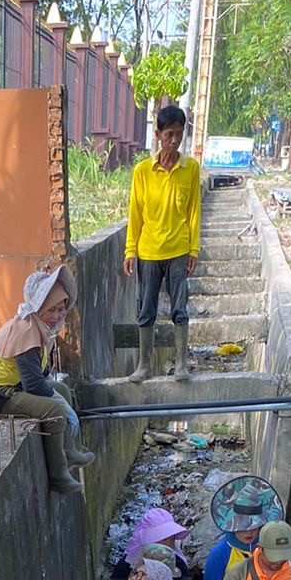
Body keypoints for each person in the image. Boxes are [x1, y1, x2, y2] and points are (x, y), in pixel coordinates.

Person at [0, 265, 94, 497]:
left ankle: (69, 451)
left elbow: (40, 374)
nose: (57, 316)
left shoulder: (35, 326)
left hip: (13, 387)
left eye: (60, 310)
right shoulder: (26, 332)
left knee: (62, 389)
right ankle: (59, 476)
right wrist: (65, 409)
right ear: (38, 307)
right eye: (51, 310)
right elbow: (34, 384)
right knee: (54, 410)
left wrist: (61, 398)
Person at [123, 104, 201, 383]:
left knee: (180, 308)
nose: (174, 140)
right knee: (146, 309)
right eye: (169, 134)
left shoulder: (190, 169)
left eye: (179, 134)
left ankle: (181, 364)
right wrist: (130, 250)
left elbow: (194, 211)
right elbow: (135, 213)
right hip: (148, 251)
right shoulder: (143, 171)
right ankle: (144, 365)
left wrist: (193, 250)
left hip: (178, 249)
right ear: (157, 134)